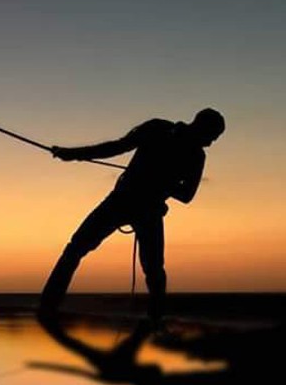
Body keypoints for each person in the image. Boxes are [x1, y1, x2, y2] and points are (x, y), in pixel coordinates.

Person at [39, 108, 226, 322]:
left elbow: (187, 195)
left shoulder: (196, 155)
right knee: (76, 248)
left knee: (153, 268)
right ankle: (47, 307)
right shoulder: (157, 128)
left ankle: (155, 319)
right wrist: (73, 155)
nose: (210, 143)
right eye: (211, 137)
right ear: (200, 126)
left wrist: (161, 180)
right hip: (122, 201)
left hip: (147, 209)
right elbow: (117, 147)